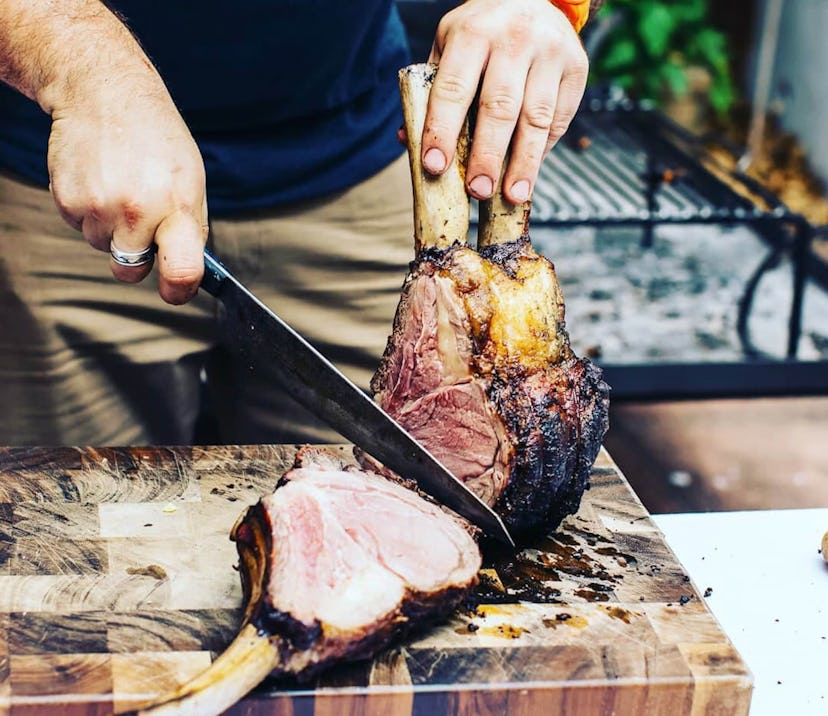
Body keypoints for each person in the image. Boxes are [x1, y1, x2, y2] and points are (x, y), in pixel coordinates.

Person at [0, 0, 593, 447]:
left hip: (353, 156)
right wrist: (77, 61)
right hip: (68, 182)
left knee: (396, 497)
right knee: (73, 535)